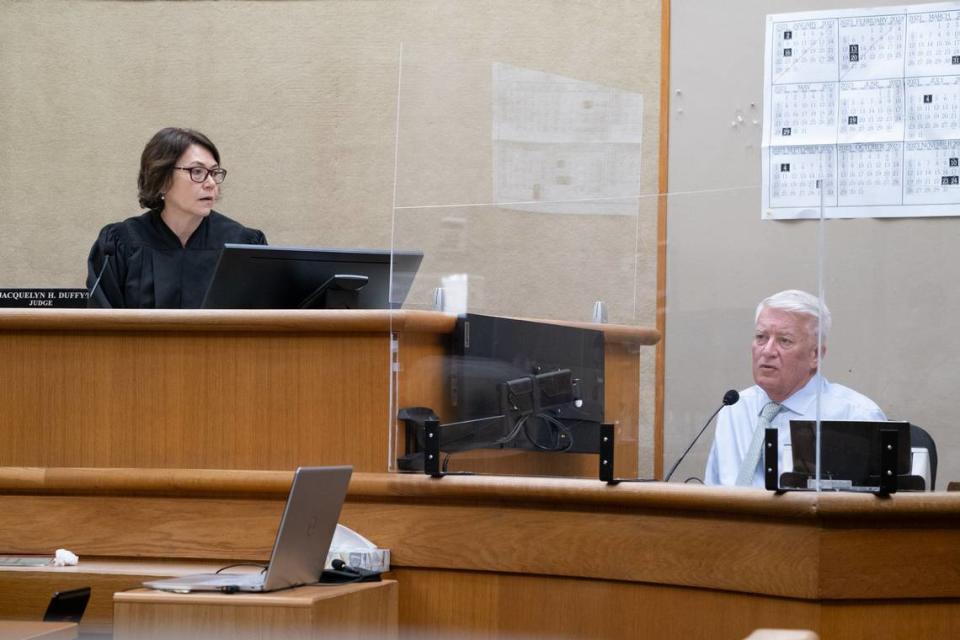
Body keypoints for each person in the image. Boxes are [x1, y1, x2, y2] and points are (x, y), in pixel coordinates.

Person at [704, 289, 886, 487]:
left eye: (784, 340)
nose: (767, 350)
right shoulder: (734, 408)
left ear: (815, 355)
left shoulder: (854, 417)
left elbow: (873, 512)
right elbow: (711, 495)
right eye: (761, 337)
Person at [86, 128, 266, 308]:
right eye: (197, 171)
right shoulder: (119, 245)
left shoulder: (243, 245)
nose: (211, 183)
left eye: (213, 173)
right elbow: (101, 325)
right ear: (162, 179)